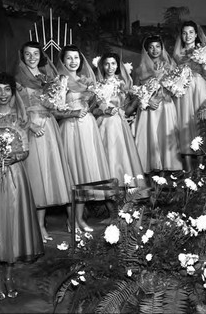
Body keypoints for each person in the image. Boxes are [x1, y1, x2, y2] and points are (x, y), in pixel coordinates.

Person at [0, 72, 44, 301]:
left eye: (7, 90)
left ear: (13, 92)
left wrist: (14, 157)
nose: (2, 94)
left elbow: (25, 149)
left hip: (15, 175)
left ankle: (9, 276)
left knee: (13, 225)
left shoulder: (20, 116)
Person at [14, 41, 73, 242]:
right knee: (36, 177)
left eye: (36, 54)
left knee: (48, 176)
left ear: (41, 56)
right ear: (23, 56)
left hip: (48, 127)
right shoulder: (17, 80)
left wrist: (60, 106)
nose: (32, 58)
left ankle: (41, 224)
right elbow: (15, 109)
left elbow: (54, 106)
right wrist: (30, 125)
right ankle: (34, 226)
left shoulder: (47, 78)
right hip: (31, 129)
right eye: (28, 54)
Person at [56, 45, 113, 232]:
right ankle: (70, 220)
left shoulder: (85, 81)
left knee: (85, 173)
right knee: (72, 174)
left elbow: (94, 104)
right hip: (71, 129)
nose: (73, 62)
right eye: (69, 58)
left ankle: (79, 219)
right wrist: (73, 112)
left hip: (88, 128)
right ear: (63, 61)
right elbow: (55, 110)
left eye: (76, 58)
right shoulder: (60, 82)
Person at [94, 52, 148, 191]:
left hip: (119, 124)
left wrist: (137, 99)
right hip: (103, 123)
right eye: (106, 64)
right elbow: (93, 108)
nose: (110, 67)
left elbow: (128, 108)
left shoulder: (123, 83)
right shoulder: (97, 84)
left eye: (113, 63)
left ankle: (125, 190)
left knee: (121, 155)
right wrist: (104, 110)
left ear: (117, 65)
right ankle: (106, 190)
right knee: (105, 155)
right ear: (102, 66)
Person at [133, 35, 182, 174]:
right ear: (146, 50)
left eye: (158, 47)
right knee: (150, 137)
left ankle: (167, 168)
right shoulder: (140, 69)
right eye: (151, 47)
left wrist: (160, 97)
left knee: (164, 135)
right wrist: (148, 101)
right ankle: (150, 168)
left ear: (162, 48)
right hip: (148, 109)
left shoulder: (170, 66)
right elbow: (136, 91)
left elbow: (174, 88)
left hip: (165, 106)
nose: (155, 50)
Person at [172, 21, 206, 173]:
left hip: (199, 88)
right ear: (181, 36)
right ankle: (188, 168)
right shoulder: (177, 55)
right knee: (184, 124)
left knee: (201, 123)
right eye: (184, 33)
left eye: (190, 32)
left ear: (196, 34)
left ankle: (201, 167)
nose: (187, 35)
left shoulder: (204, 50)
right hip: (183, 91)